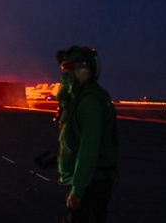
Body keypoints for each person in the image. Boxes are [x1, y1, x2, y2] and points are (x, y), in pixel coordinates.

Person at [56, 46, 118, 222]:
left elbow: (88, 149)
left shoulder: (89, 101)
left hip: (91, 184)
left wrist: (77, 190)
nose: (65, 75)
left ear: (83, 70)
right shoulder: (82, 96)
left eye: (69, 69)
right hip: (91, 180)